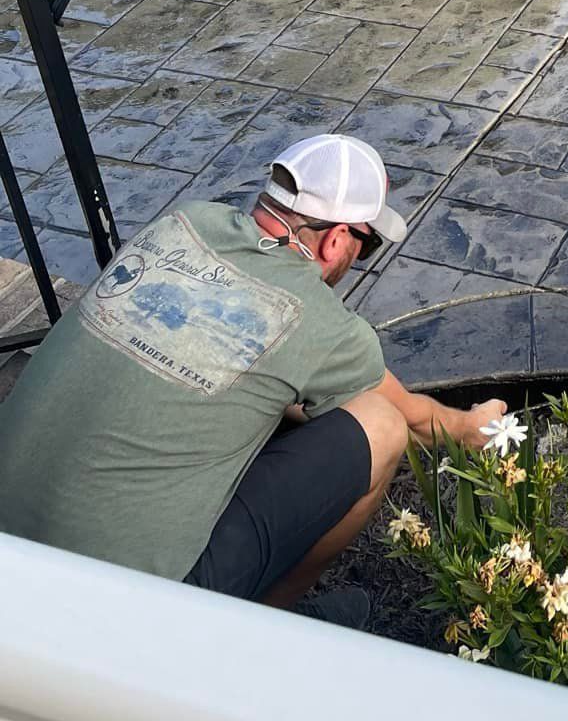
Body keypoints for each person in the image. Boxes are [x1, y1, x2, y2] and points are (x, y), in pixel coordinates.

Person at [0, 135, 505, 627]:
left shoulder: (183, 222)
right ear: (336, 239)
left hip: (10, 554)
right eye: (365, 246)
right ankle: (262, 628)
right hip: (127, 613)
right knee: (380, 426)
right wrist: (472, 426)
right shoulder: (322, 323)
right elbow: (415, 419)